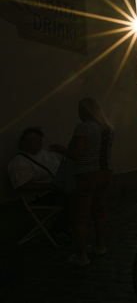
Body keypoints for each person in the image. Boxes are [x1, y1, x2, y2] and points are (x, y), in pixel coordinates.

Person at [50, 98, 115, 266]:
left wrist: (59, 149)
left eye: (80, 109)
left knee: (80, 214)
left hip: (87, 174)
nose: (78, 112)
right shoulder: (108, 128)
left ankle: (82, 256)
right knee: (100, 210)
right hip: (106, 172)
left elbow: (76, 153)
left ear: (86, 111)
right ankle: (100, 246)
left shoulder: (83, 127)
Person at [8, 127, 70, 241]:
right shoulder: (19, 162)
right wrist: (51, 185)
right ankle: (57, 230)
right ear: (23, 143)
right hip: (41, 196)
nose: (38, 142)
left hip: (58, 189)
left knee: (85, 191)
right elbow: (22, 186)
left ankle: (70, 225)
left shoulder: (46, 154)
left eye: (40, 140)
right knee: (75, 197)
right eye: (34, 140)